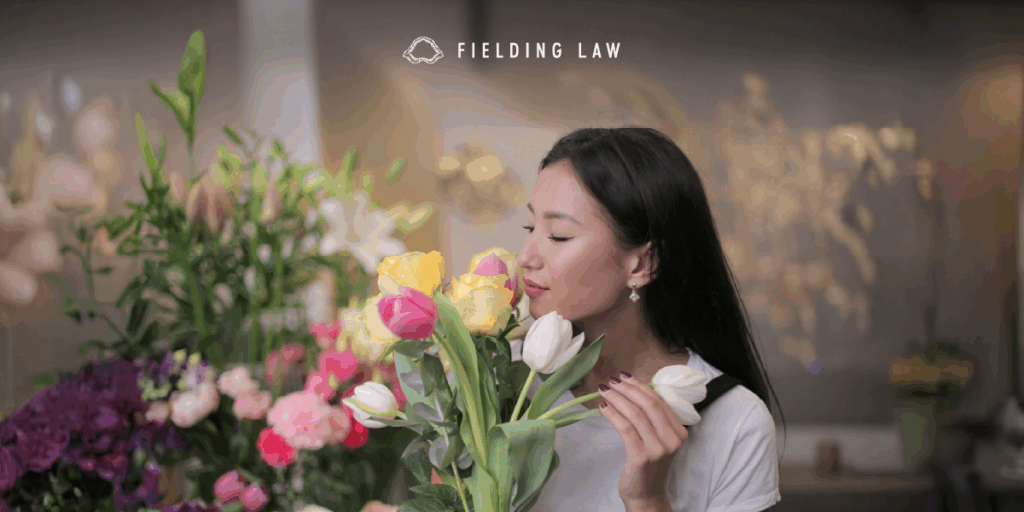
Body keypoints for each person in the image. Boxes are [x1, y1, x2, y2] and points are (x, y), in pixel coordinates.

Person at [364, 126, 785, 512]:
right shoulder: (490, 382)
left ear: (642, 264)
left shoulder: (735, 423)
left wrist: (648, 498)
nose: (526, 257)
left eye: (558, 235)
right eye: (529, 228)